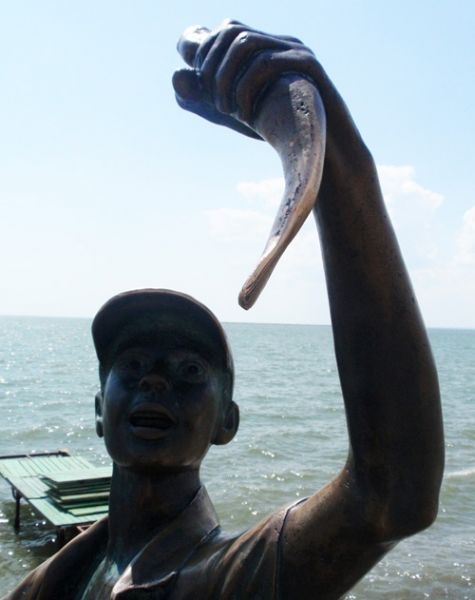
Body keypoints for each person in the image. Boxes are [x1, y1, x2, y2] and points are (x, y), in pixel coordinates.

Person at [5, 20, 444, 600]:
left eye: (189, 373)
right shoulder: (54, 579)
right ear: (97, 410)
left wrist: (337, 163)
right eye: (131, 367)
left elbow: (391, 499)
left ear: (226, 423)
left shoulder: (223, 577)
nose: (154, 381)